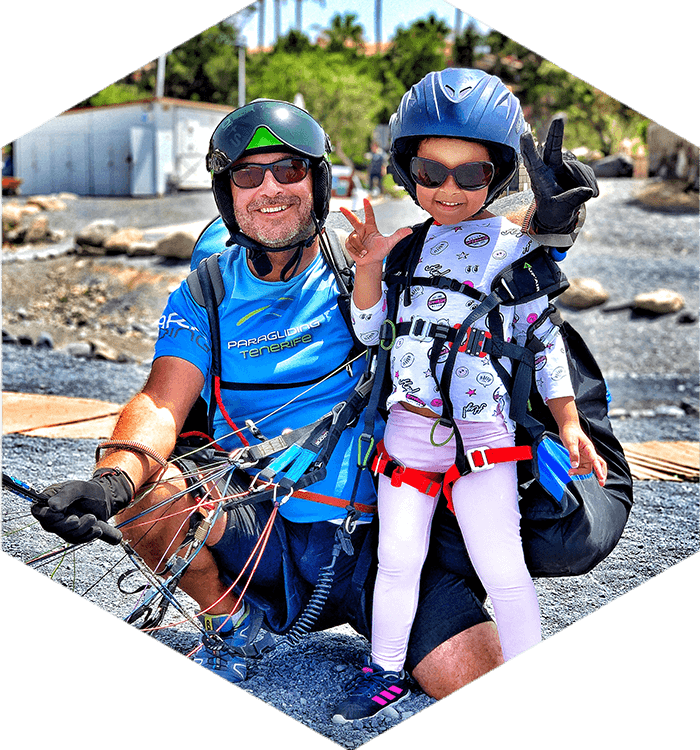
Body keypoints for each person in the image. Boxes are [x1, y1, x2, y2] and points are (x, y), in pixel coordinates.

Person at [30, 94, 599, 715]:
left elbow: (467, 240)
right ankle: (231, 619)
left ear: (317, 181)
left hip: (371, 542)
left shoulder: (365, 266)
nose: (269, 188)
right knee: (149, 491)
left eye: (289, 170)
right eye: (249, 174)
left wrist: (550, 224)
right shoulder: (206, 290)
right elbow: (161, 399)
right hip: (251, 532)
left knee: (467, 671)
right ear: (227, 193)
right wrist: (110, 482)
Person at [333, 68, 607, 721]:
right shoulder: (404, 248)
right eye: (431, 171)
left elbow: (543, 341)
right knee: (397, 561)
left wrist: (569, 425)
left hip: (485, 438)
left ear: (499, 175)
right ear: (408, 169)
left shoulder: (516, 247)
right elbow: (371, 329)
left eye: (470, 174)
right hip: (407, 432)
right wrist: (369, 265)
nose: (448, 189)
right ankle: (386, 671)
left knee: (502, 567)